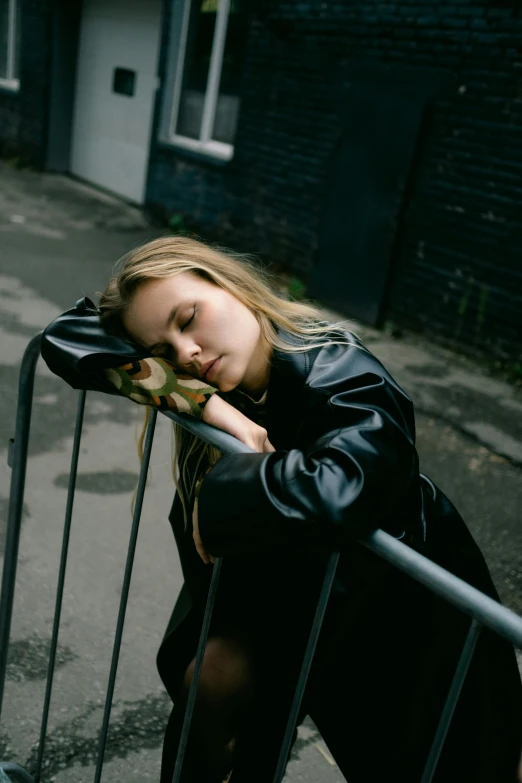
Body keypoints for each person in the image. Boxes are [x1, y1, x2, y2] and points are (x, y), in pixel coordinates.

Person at [98, 236, 522, 783]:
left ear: (231, 287)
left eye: (189, 318)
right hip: (307, 603)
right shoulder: (215, 392)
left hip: (409, 617)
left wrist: (224, 493)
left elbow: (343, 486)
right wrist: (204, 403)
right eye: (162, 352)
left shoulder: (341, 371)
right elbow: (71, 339)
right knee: (210, 694)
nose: (184, 355)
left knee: (465, 762)